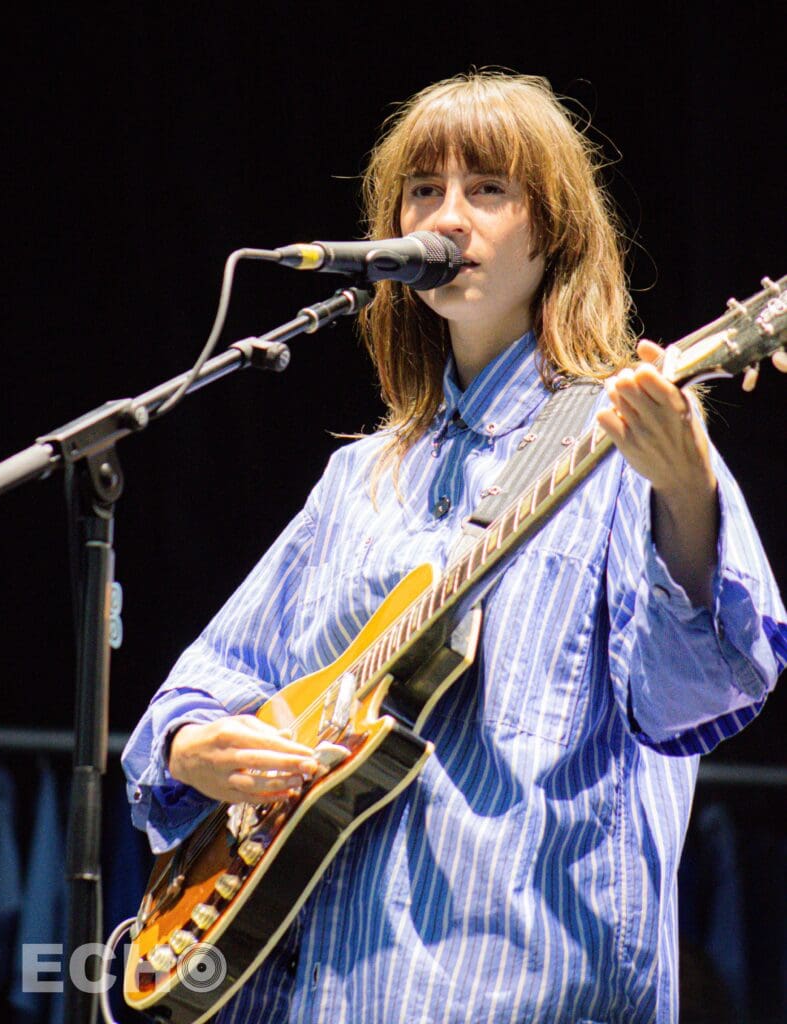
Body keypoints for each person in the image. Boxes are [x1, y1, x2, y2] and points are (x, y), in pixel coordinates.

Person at [122, 71, 786, 1023]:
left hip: (528, 982)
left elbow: (699, 688)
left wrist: (681, 486)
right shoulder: (361, 480)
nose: (447, 217)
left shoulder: (624, 446)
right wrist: (193, 743)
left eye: (487, 190)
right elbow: (213, 673)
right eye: (424, 191)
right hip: (326, 983)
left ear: (552, 229)